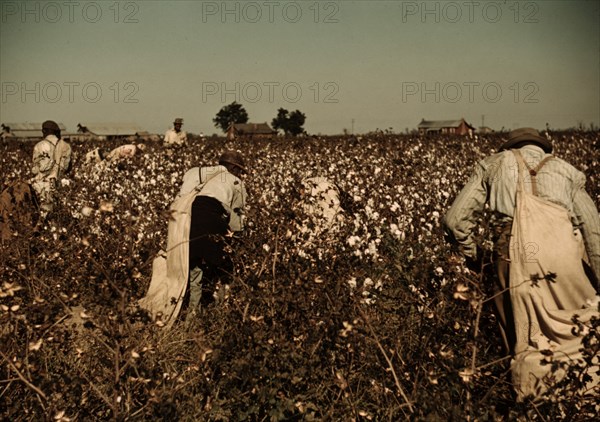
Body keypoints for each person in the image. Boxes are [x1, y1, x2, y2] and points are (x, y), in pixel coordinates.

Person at [443, 127, 599, 400]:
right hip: (563, 253)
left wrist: (474, 256)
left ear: (509, 147)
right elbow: (593, 232)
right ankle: (577, 400)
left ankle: (529, 404)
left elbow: (454, 221)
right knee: (574, 331)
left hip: (512, 253)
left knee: (522, 340)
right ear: (544, 149)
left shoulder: (494, 164)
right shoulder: (567, 171)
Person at [139, 150, 247, 328]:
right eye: (240, 171)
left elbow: (181, 198)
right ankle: (219, 315)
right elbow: (237, 222)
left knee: (187, 267)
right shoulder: (235, 181)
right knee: (224, 268)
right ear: (234, 168)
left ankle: (179, 313)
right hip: (208, 217)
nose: (240, 175)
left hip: (180, 220)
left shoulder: (196, 171)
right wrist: (239, 239)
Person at [30, 120, 72, 213]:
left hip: (42, 186)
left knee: (43, 215)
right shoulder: (66, 146)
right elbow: (68, 168)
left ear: (45, 131)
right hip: (60, 185)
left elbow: (35, 170)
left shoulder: (39, 146)